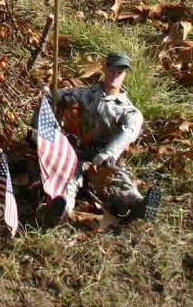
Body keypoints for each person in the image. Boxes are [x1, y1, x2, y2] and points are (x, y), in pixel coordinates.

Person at [52, 52, 160, 221]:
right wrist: (49, 93)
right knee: (70, 175)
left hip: (106, 157)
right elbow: (58, 95)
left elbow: (129, 132)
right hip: (80, 150)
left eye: (120, 72)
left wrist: (109, 154)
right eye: (112, 70)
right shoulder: (87, 94)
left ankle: (136, 204)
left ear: (125, 75)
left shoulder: (128, 110)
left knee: (118, 178)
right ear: (105, 69)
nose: (115, 75)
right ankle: (62, 208)